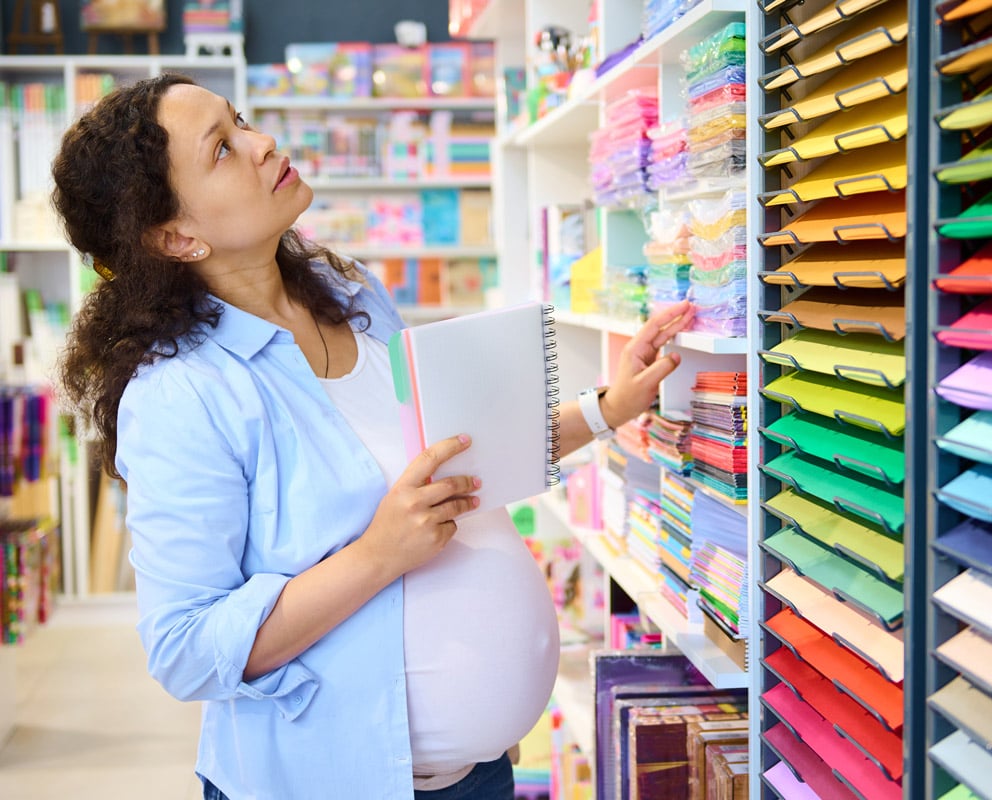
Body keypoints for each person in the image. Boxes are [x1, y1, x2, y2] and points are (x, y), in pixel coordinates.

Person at [51, 73, 696, 800]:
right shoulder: (182, 392)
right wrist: (378, 556)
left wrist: (610, 405)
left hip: (477, 777)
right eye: (225, 149)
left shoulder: (349, 295)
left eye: (244, 122)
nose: (264, 144)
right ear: (176, 235)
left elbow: (462, 460)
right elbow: (185, 649)